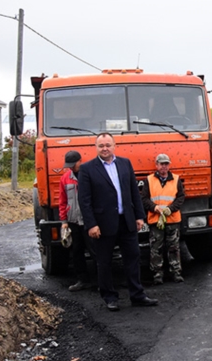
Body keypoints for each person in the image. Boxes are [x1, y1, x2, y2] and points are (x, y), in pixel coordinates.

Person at [78, 133, 158, 311]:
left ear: (114, 146)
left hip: (126, 221)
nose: (105, 148)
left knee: (133, 258)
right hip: (102, 224)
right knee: (104, 262)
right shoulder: (87, 169)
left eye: (108, 145)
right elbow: (84, 200)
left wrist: (139, 216)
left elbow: (134, 192)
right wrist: (91, 224)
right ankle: (110, 297)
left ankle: (137, 295)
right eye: (101, 146)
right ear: (96, 148)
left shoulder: (125, 163)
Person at [140, 153, 185, 285]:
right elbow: (144, 198)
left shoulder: (176, 179)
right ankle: (157, 274)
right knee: (156, 247)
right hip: (155, 219)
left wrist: (171, 209)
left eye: (166, 164)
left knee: (174, 247)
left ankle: (176, 272)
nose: (164, 167)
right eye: (161, 164)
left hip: (172, 219)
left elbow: (181, 197)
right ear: (157, 165)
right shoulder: (149, 180)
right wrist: (154, 208)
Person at [58, 150, 94, 292]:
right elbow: (62, 201)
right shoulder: (65, 178)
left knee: (95, 251)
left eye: (74, 164)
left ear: (80, 161)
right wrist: (64, 221)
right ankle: (82, 280)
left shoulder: (89, 176)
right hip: (73, 221)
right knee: (77, 252)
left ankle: (102, 281)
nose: (71, 167)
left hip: (89, 221)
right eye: (69, 165)